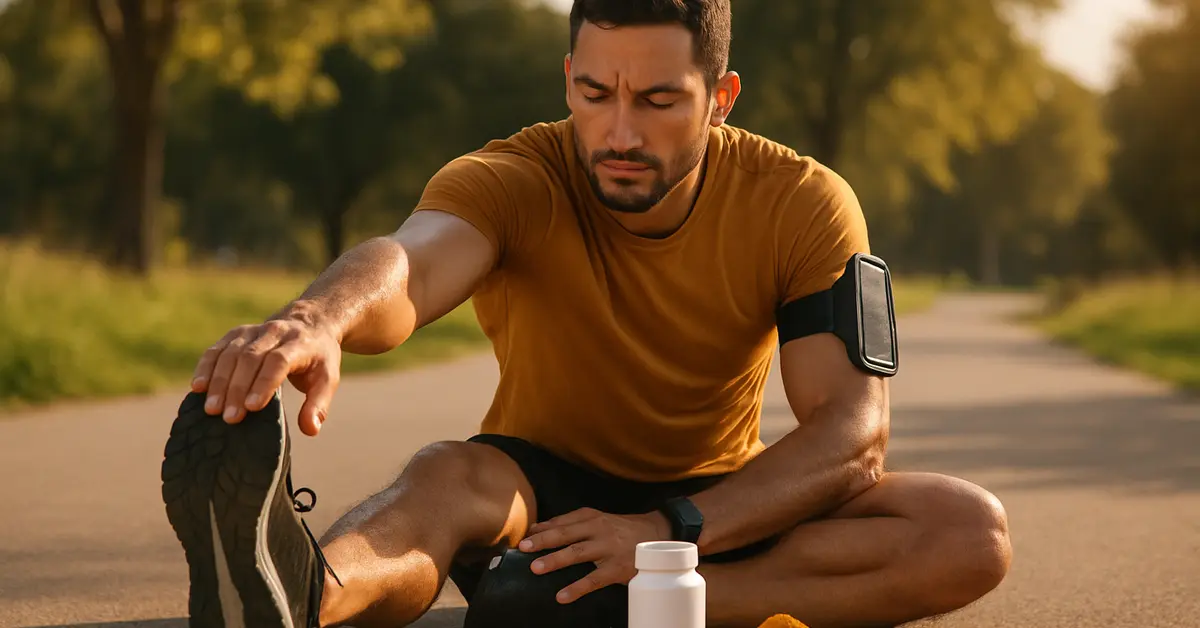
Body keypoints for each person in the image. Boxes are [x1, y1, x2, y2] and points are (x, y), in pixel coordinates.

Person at [161, 1, 1013, 627]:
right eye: (597, 93)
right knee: (443, 476)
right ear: (569, 79)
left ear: (722, 97)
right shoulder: (518, 175)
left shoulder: (803, 202)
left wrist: (662, 535)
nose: (619, 131)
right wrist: (320, 317)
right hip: (537, 496)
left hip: (712, 505)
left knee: (966, 530)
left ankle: (662, 606)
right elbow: (413, 263)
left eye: (657, 101)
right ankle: (301, 598)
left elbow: (853, 435)